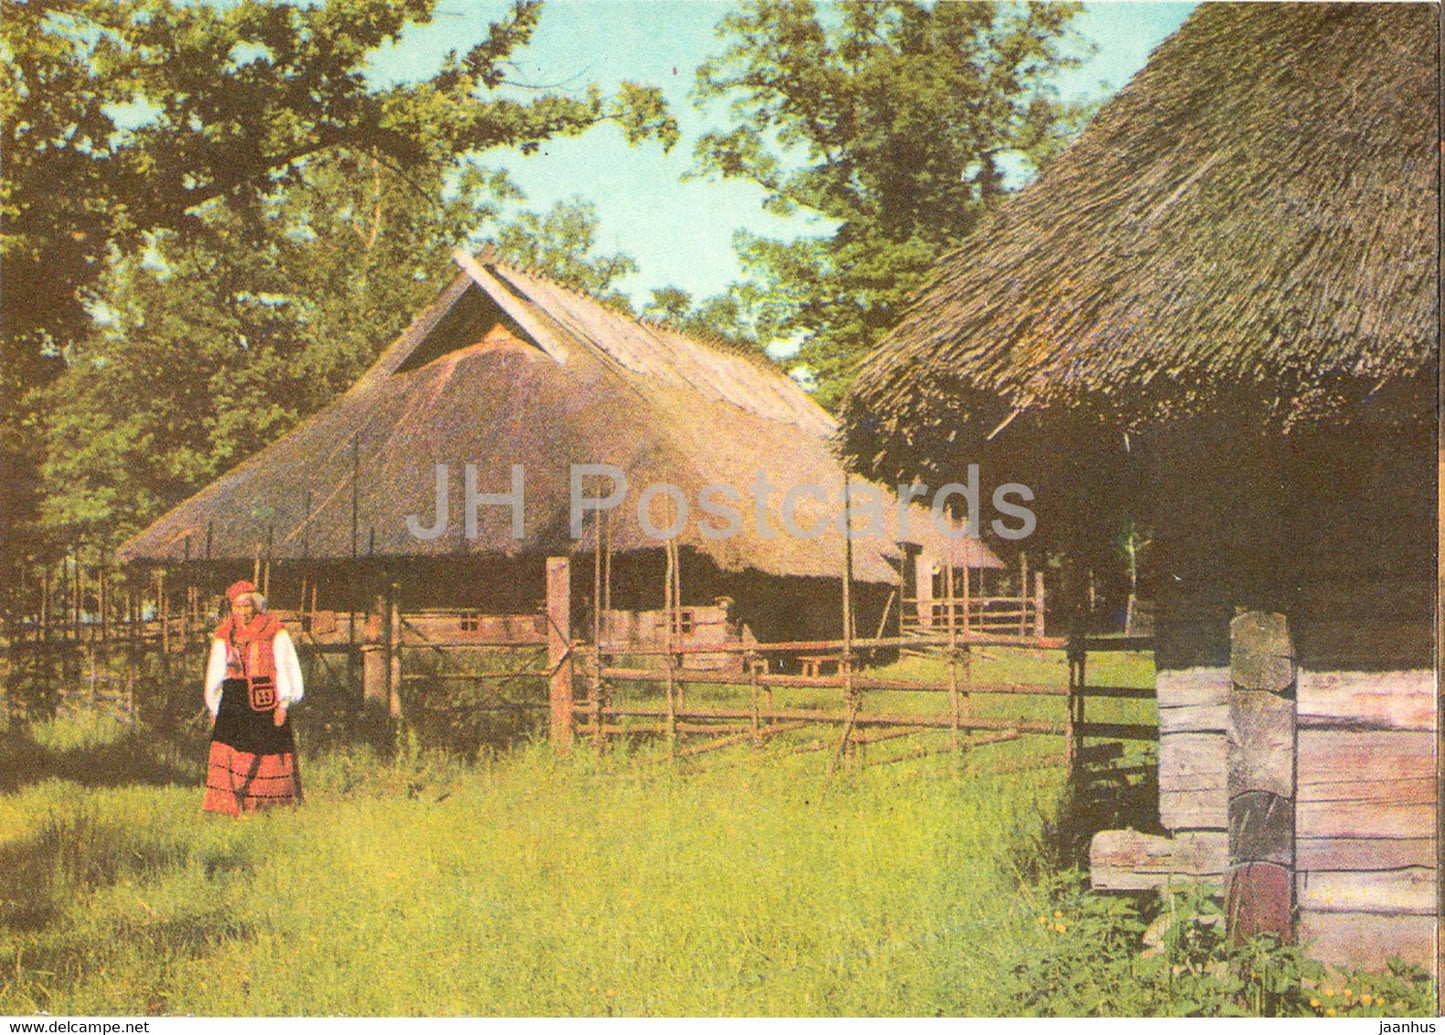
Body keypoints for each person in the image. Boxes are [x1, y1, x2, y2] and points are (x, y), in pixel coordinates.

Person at [203, 579, 304, 815]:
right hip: (234, 701)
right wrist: (214, 707)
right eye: (237, 607)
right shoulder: (224, 635)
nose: (243, 612)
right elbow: (216, 672)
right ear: (231, 609)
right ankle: (230, 807)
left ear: (256, 606)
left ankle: (267, 807)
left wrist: (285, 703)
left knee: (266, 752)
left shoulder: (273, 631)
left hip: (265, 699)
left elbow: (287, 666)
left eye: (247, 606)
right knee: (230, 752)